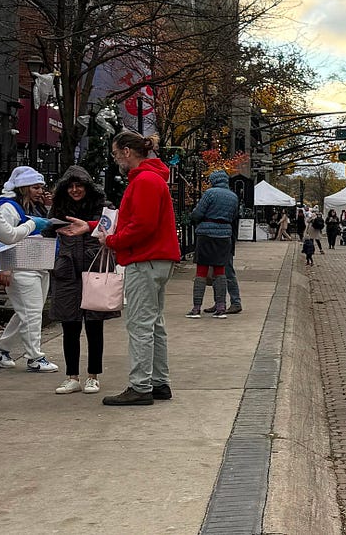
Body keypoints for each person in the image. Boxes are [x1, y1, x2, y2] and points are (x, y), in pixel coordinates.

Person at [64, 132, 182, 406]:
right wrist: (93, 227)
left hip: (145, 259)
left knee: (140, 324)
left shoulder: (144, 181)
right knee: (153, 323)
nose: (116, 158)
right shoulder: (152, 179)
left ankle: (141, 386)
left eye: (116, 153)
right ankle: (157, 382)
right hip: (156, 259)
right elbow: (133, 222)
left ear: (127, 151)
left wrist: (112, 241)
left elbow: (140, 225)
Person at [46, 166, 118, 394]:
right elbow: (47, 234)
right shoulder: (59, 207)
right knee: (70, 326)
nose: (75, 190)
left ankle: (93, 376)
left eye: (79, 186)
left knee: (94, 325)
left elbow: (111, 231)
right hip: (67, 272)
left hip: (94, 268)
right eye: (71, 186)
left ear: (88, 187)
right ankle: (72, 376)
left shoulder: (103, 207)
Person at [0, 166, 56, 372]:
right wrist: (5, 268)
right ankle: (34, 357)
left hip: (38, 264)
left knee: (26, 312)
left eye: (41, 187)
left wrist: (48, 207)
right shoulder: (9, 207)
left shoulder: (34, 207)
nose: (40, 191)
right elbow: (3, 236)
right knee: (32, 313)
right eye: (35, 187)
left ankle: (0, 349)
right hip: (20, 266)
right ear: (23, 188)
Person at [186, 170, 240, 319]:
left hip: (206, 234)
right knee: (220, 271)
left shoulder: (210, 193)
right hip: (225, 235)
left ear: (213, 180)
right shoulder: (233, 196)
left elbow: (198, 213)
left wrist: (194, 217)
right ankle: (221, 307)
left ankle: (196, 308)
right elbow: (234, 216)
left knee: (201, 271)